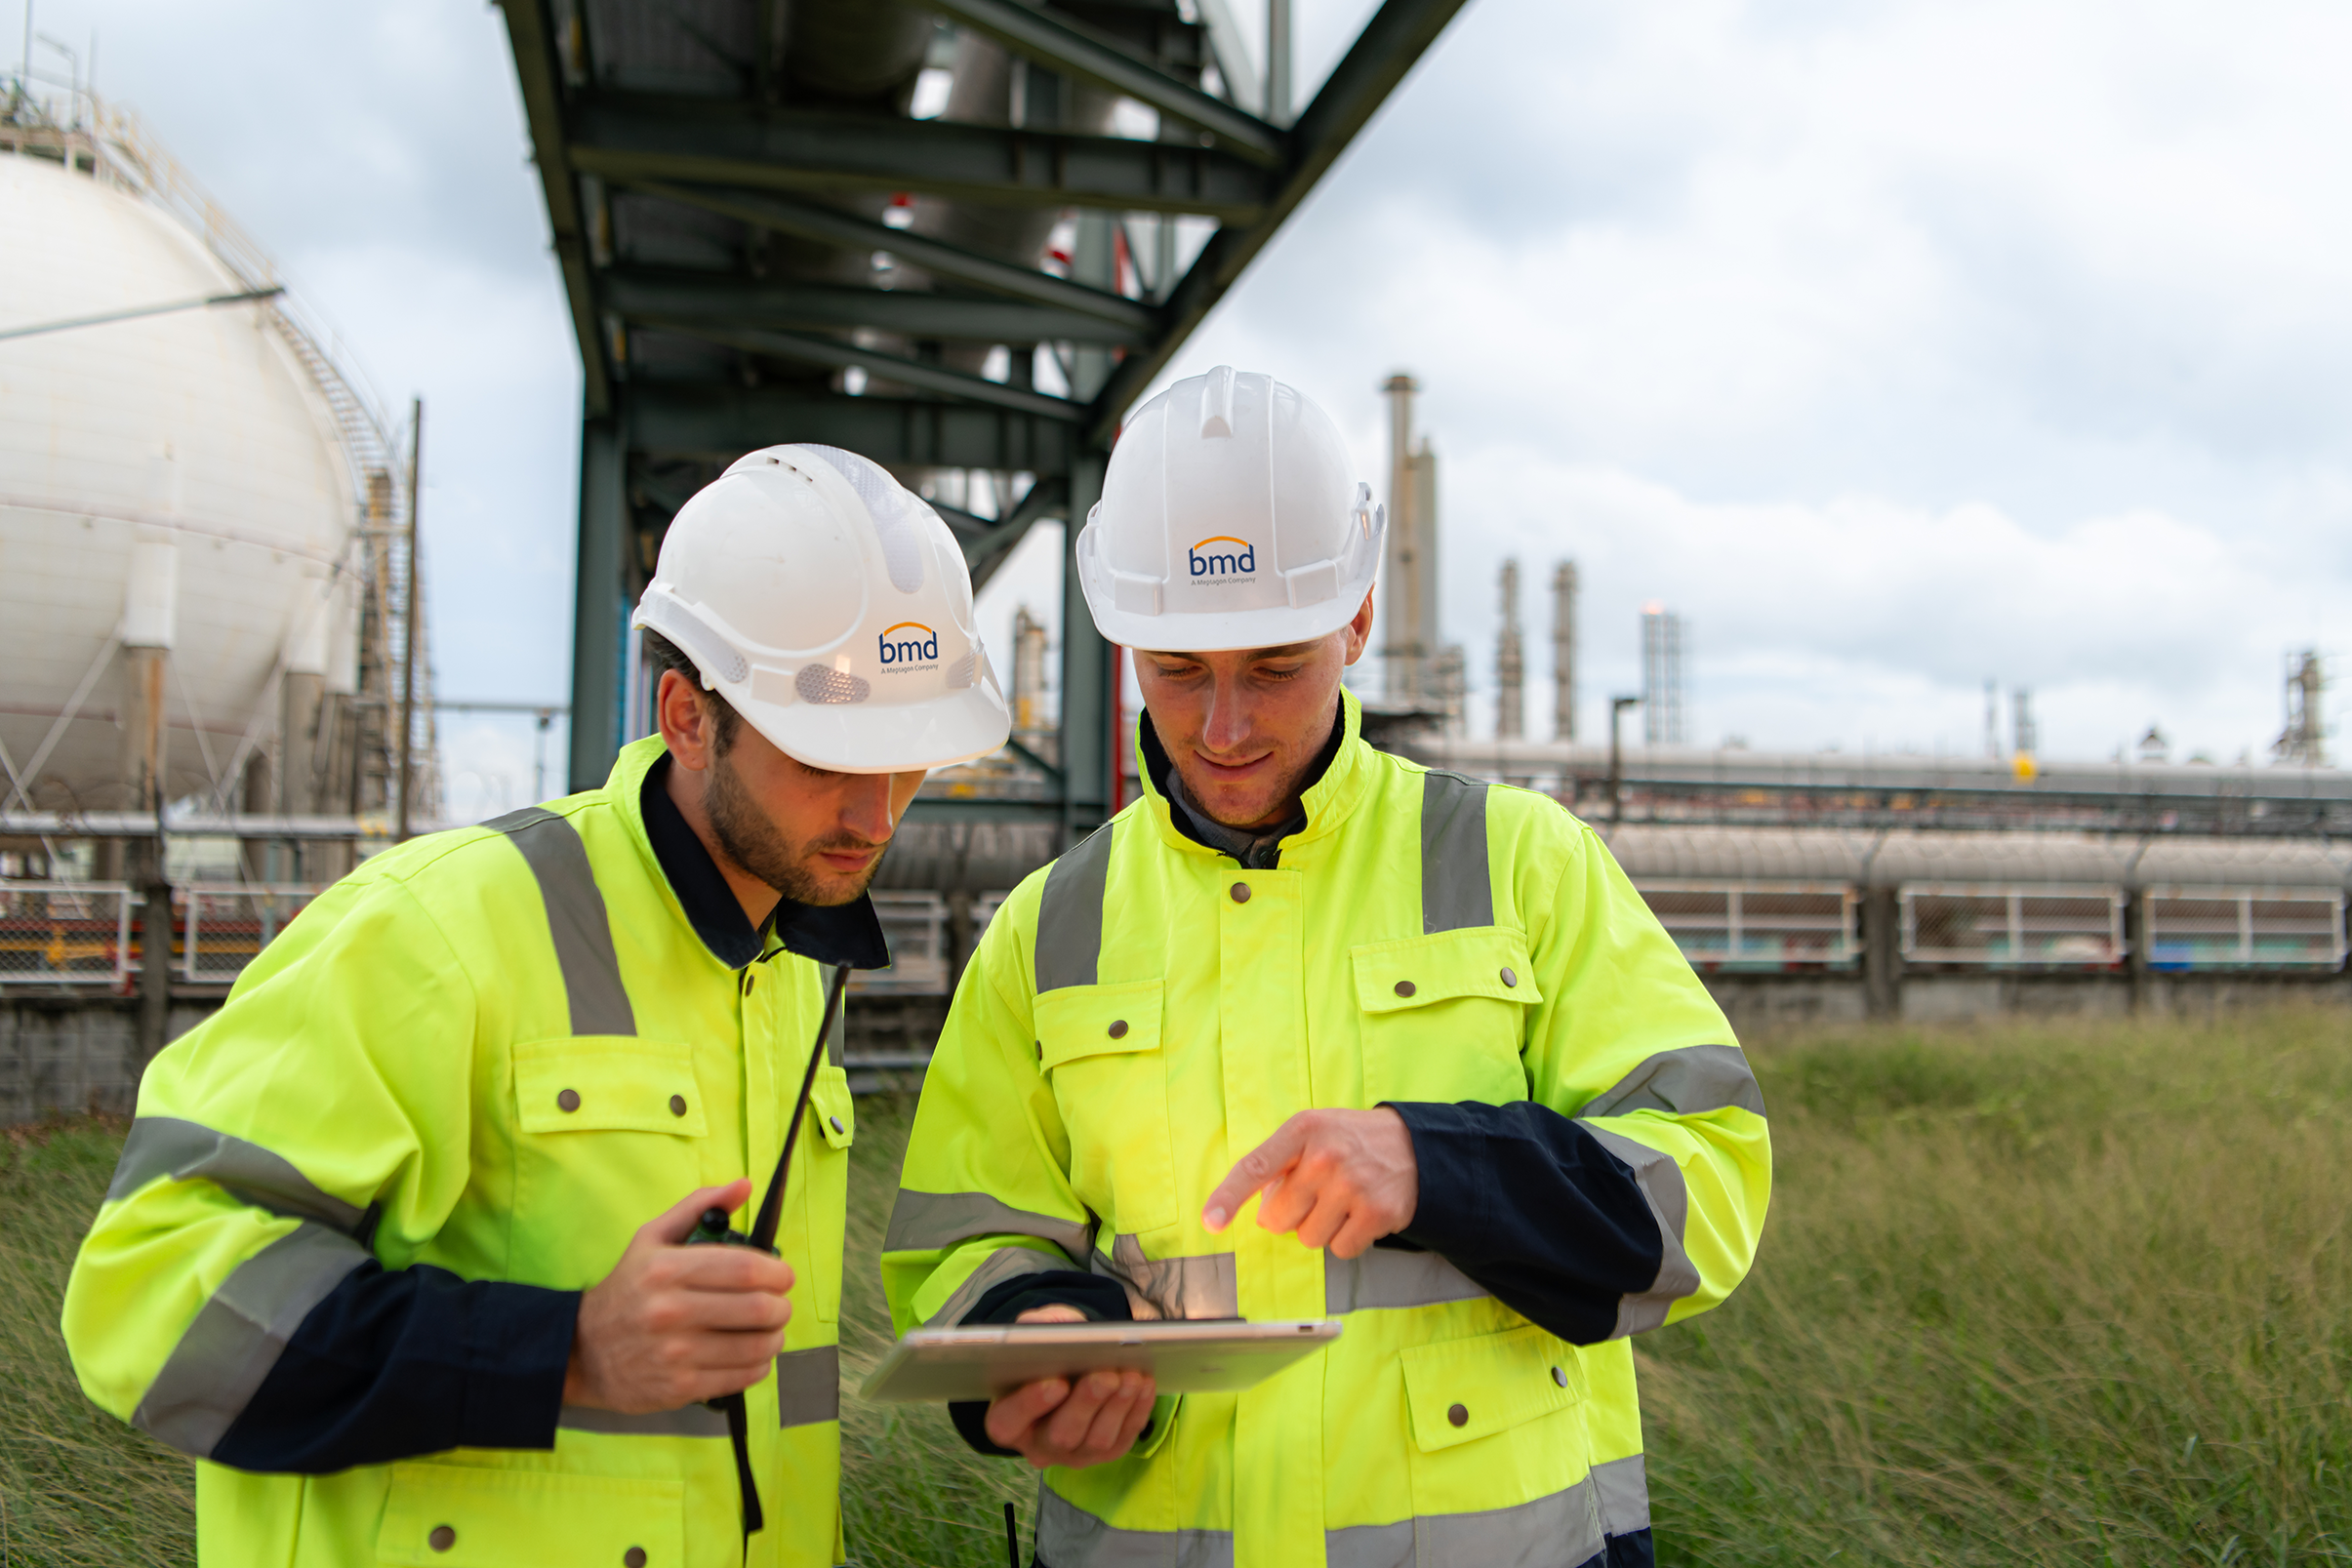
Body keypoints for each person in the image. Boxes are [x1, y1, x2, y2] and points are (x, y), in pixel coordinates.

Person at [881, 368, 1771, 1568]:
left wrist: (1442, 1164)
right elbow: (962, 1233)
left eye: (1275, 666)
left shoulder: (1522, 862)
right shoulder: (1051, 926)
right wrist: (1035, 1330)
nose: (1225, 726)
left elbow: (1708, 1181)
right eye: (1181, 671)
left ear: (1355, 622)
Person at [63, 444, 1010, 1568]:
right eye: (827, 754)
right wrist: (561, 1349)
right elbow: (145, 1294)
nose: (875, 808)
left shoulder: (795, 968)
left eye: (906, 756)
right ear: (688, 716)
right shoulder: (437, 929)